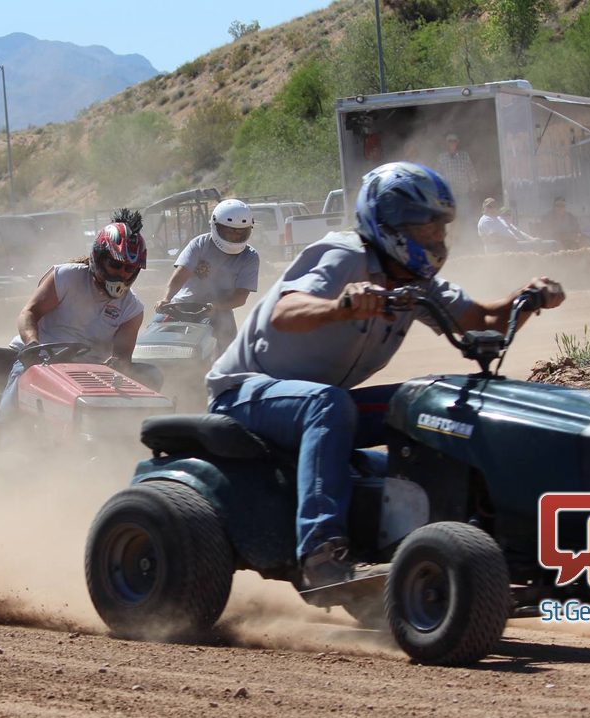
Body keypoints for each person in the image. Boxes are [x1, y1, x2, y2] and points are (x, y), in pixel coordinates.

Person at [205, 162, 565, 588]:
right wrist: (342, 305)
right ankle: (321, 554)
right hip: (245, 392)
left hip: (315, 402)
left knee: (431, 400)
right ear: (391, 224)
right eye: (424, 229)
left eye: (439, 230)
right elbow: (285, 312)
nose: (435, 239)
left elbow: (481, 318)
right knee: (328, 404)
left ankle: (462, 537)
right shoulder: (344, 255)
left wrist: (527, 299)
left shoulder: (418, 281)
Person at [0, 209, 149, 444]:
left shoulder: (132, 309)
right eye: (115, 264)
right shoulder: (66, 277)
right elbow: (29, 313)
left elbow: (122, 356)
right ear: (99, 257)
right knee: (23, 379)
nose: (122, 273)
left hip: (89, 373)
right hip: (39, 359)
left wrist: (119, 364)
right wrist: (33, 345)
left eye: (129, 268)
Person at [155, 198, 261, 350]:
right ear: (215, 225)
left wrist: (217, 307)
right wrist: (166, 299)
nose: (235, 236)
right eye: (230, 231)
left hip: (219, 310)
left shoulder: (250, 257)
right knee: (154, 330)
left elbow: (240, 297)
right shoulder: (200, 244)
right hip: (182, 305)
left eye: (240, 233)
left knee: (229, 348)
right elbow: (181, 273)